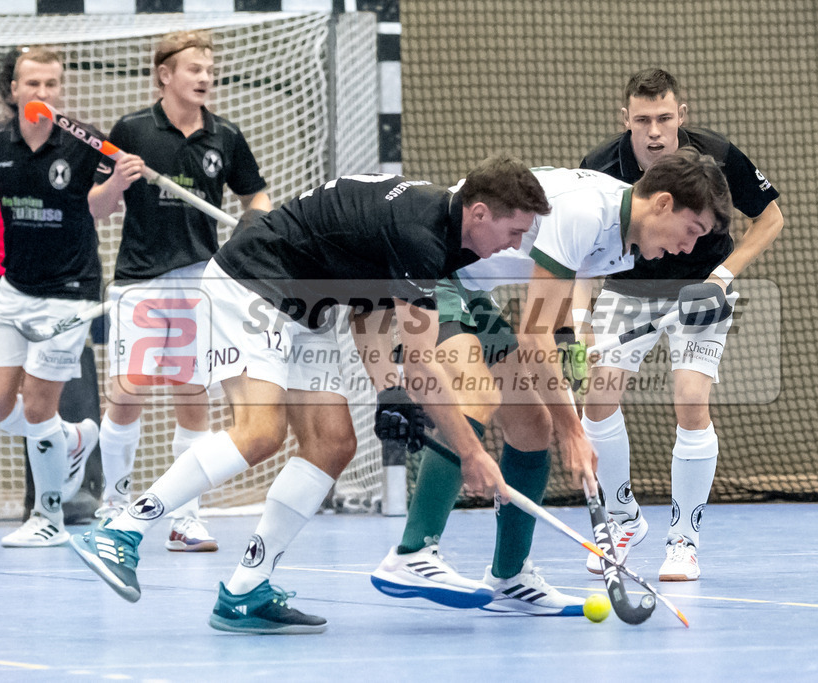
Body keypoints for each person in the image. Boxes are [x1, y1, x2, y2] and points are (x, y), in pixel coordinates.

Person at [70, 157, 552, 633]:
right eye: (514, 231)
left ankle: (245, 591)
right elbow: (422, 361)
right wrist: (471, 455)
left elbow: (370, 306)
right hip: (252, 283)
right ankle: (121, 530)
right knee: (260, 433)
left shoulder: (445, 233)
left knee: (333, 443)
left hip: (310, 307)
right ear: (481, 212)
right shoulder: (421, 233)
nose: (517, 244)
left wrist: (388, 388)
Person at [367, 149, 733, 614]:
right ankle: (413, 552)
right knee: (477, 394)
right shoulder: (588, 212)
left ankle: (509, 578)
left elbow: (550, 322)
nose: (688, 248)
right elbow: (534, 332)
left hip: (470, 289)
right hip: (430, 270)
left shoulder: (624, 243)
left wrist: (565, 381)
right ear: (662, 203)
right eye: (691, 231)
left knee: (532, 427)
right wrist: (575, 430)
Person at [578, 68, 784, 581]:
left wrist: (722, 276)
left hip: (700, 287)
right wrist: (580, 319)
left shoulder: (716, 155)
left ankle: (683, 542)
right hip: (628, 287)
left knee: (691, 399)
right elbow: (580, 251)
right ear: (624, 120)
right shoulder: (600, 168)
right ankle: (622, 518)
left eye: (664, 118)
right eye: (642, 119)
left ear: (680, 117)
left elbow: (772, 217)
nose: (653, 131)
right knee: (598, 394)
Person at [0, 47, 130, 546]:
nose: (43, 93)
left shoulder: (86, 144)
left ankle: (49, 518)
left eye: (51, 84)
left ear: (59, 90)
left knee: (39, 408)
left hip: (69, 294)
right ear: (14, 91)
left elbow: (102, 209)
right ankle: (74, 438)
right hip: (12, 289)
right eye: (33, 84)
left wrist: (119, 179)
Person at [88, 30, 271, 552]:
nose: (205, 78)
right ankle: (115, 504)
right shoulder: (132, 130)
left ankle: (185, 517)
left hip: (199, 279)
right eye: (194, 69)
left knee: (193, 397)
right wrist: (118, 182)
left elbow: (254, 192)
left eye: (209, 69)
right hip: (140, 280)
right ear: (165, 75)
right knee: (127, 393)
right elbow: (97, 208)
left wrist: (254, 221)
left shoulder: (225, 136)